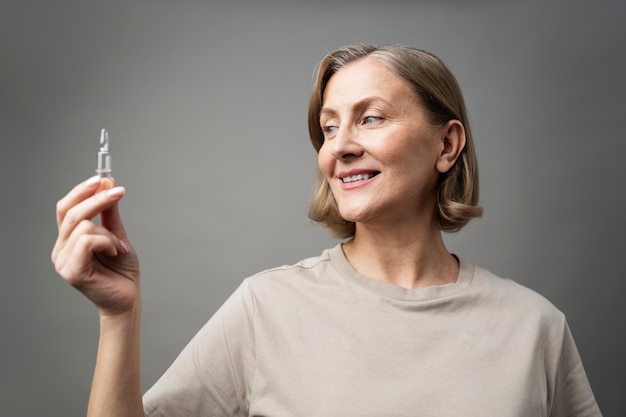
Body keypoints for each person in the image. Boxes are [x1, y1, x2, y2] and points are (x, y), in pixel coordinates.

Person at [52, 44, 602, 416]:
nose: (338, 146)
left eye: (371, 117)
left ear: (447, 144)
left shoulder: (535, 328)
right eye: (328, 127)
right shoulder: (266, 307)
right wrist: (118, 315)